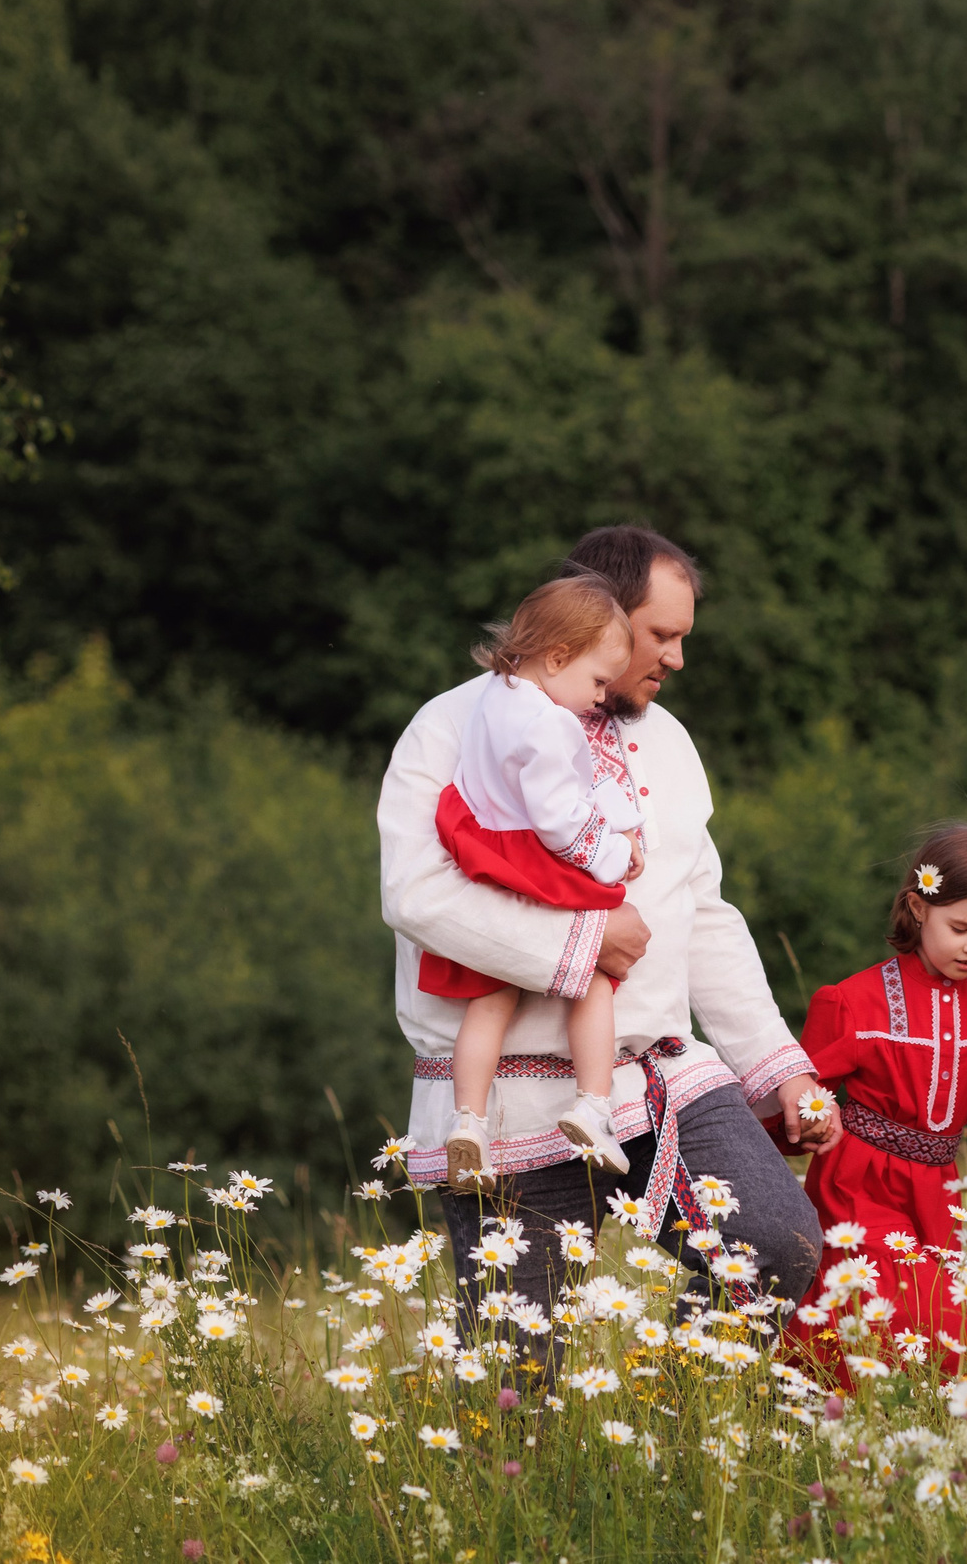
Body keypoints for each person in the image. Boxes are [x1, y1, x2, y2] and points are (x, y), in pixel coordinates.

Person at [378, 525, 835, 1329]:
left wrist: (776, 1067)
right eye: (662, 635)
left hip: (659, 1073)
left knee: (779, 1242)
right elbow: (416, 895)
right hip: (511, 1100)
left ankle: (668, 1404)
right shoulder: (451, 726)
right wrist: (584, 945)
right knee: (515, 1374)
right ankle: (577, 1439)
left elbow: (705, 913)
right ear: (599, 622)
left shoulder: (669, 742)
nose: (677, 658)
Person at [789, 824, 967, 1378]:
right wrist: (812, 1115)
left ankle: (926, 1448)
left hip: (939, 1192)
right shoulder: (852, 1001)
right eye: (960, 927)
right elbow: (798, 1087)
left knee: (948, 1339)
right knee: (868, 1318)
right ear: (918, 908)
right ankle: (825, 1435)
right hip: (857, 1181)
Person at [428, 575, 648, 1185]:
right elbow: (559, 821)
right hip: (538, 863)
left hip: (487, 855)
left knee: (491, 999)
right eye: (599, 681)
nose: (602, 697)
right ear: (557, 657)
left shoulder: (493, 698)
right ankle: (594, 1106)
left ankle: (467, 1121)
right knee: (595, 979)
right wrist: (611, 852)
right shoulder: (552, 724)